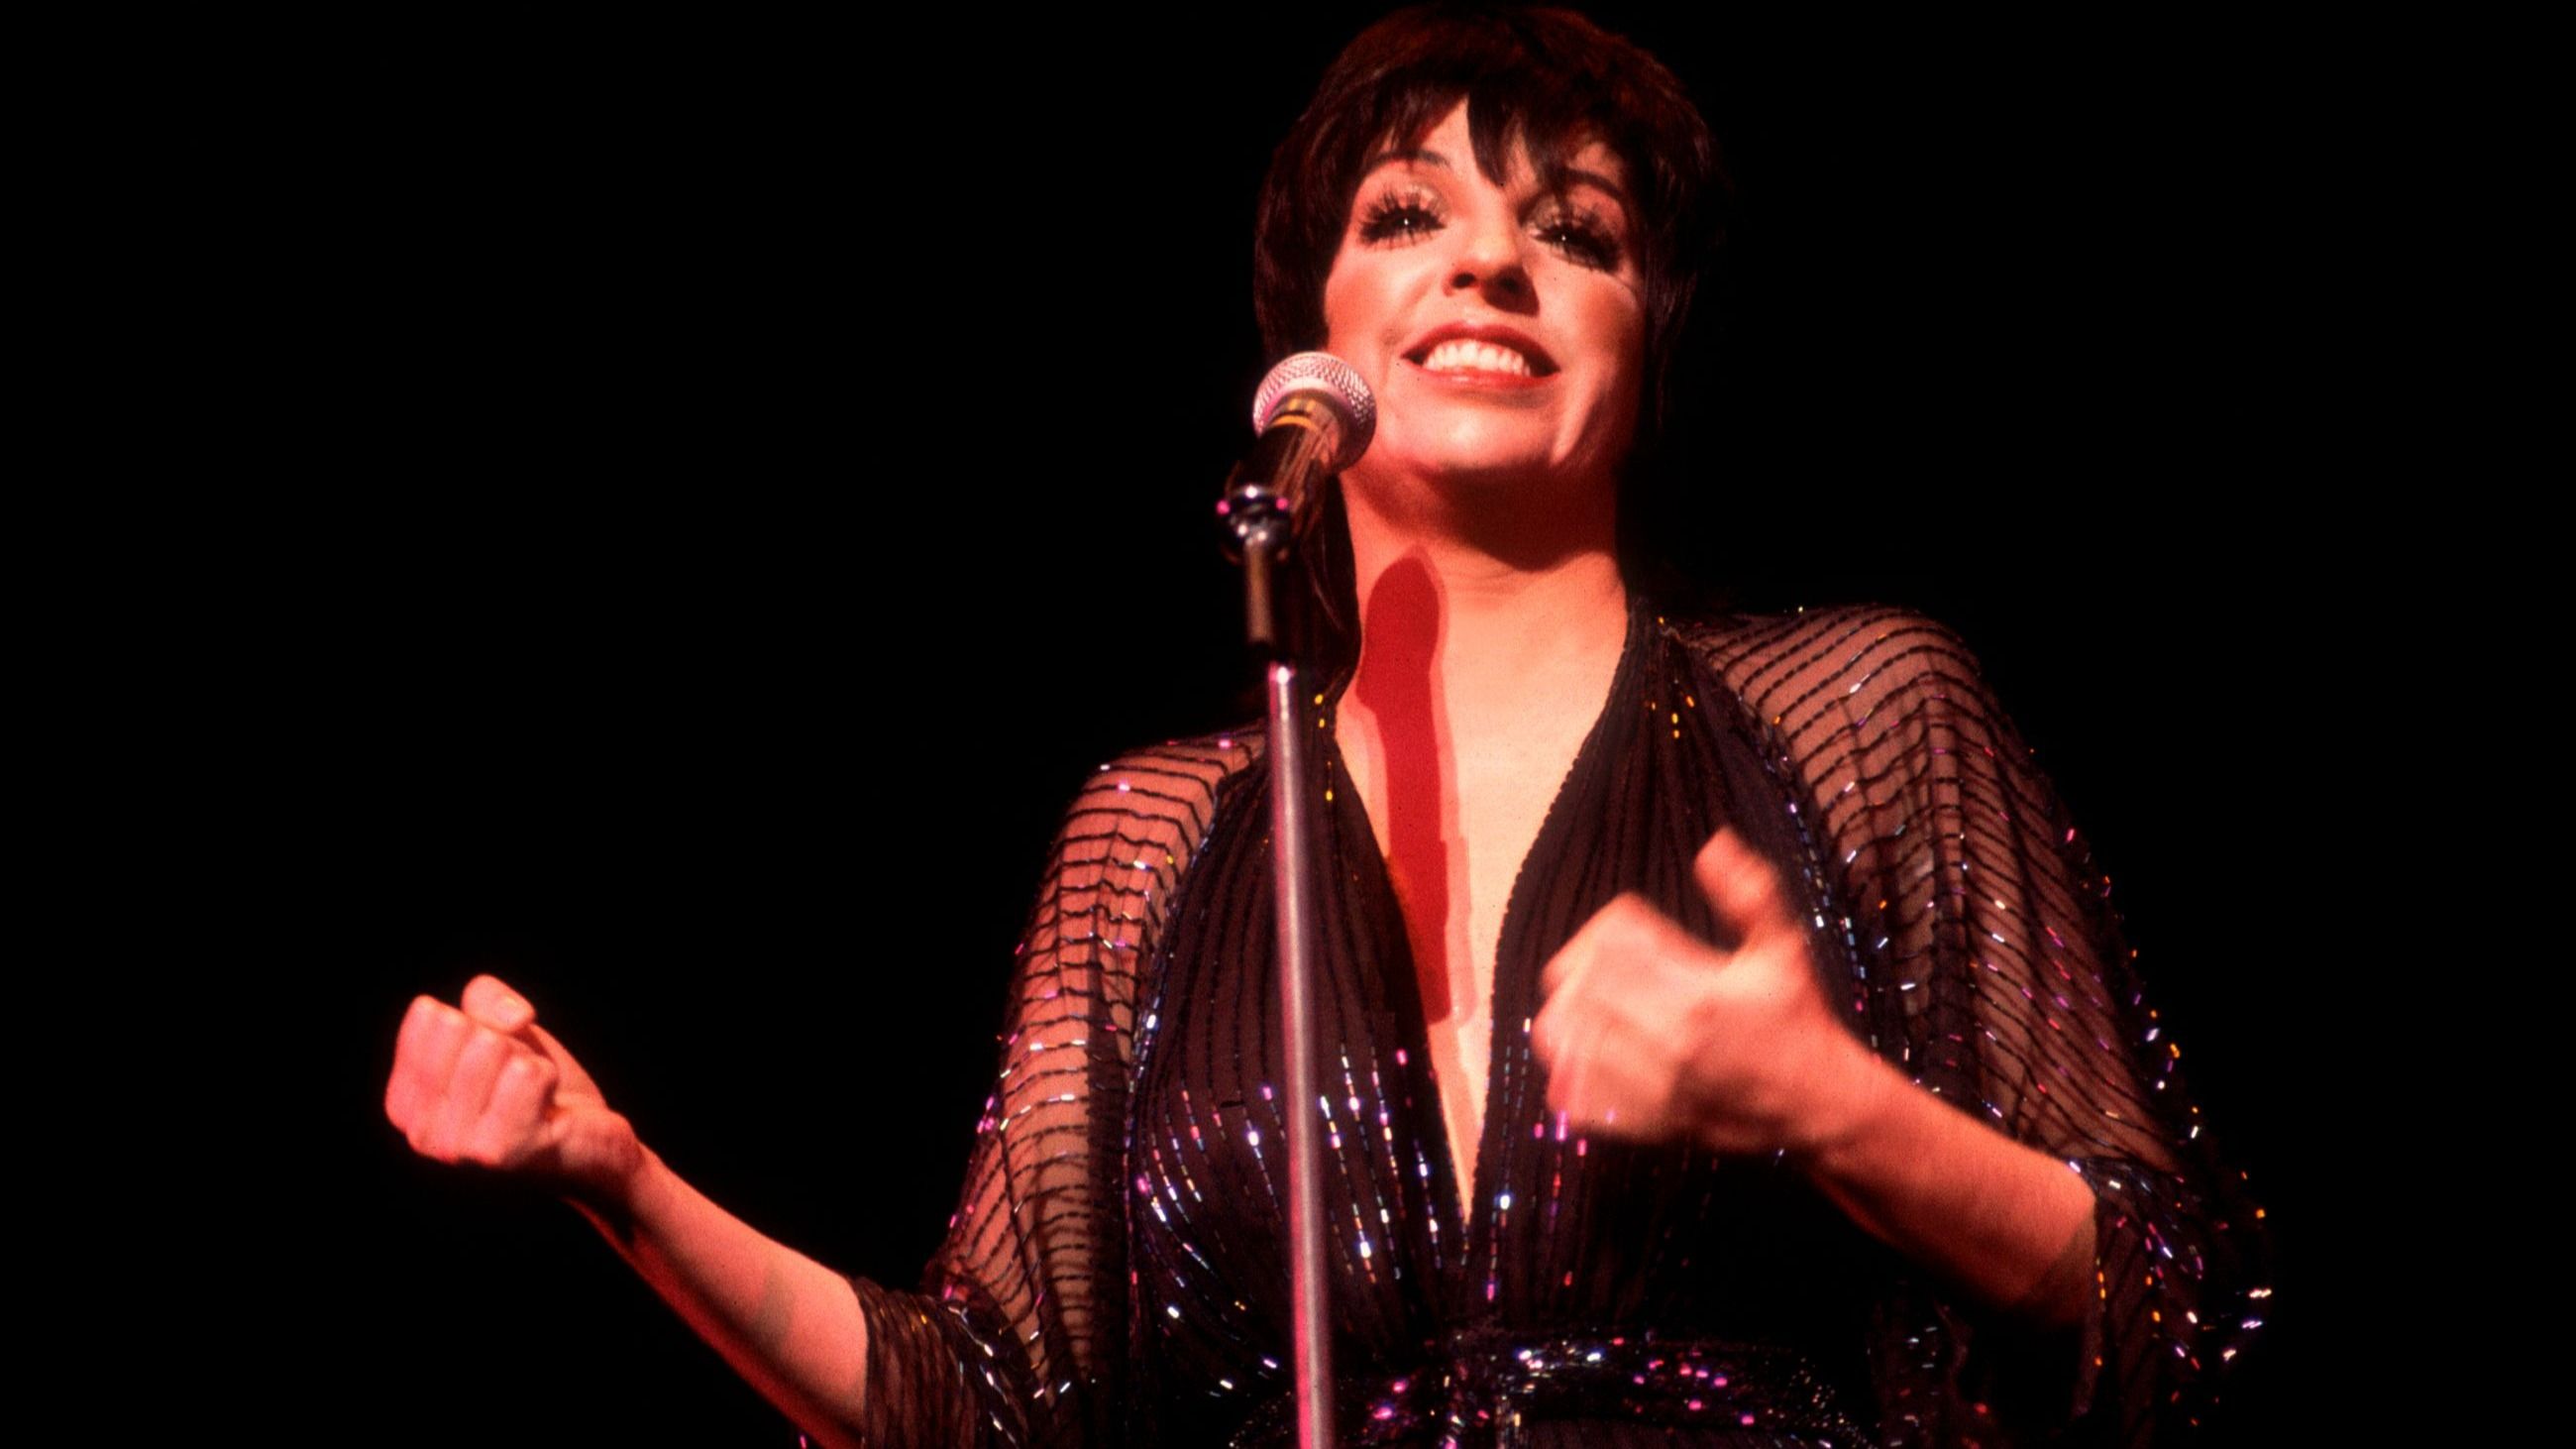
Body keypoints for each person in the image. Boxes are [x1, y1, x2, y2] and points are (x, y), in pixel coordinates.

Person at [383, 8, 2266, 1445]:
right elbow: (987, 1396)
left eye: (1578, 231)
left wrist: (1839, 1110)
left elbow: (2186, 1306)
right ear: (1317, 338)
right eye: (1411, 213)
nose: (1492, 263)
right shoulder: (1150, 838)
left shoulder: (1864, 715)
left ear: (1645, 350)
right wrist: (617, 1179)